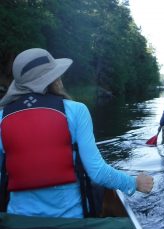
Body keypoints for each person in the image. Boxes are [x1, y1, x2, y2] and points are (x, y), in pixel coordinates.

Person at [0, 48, 154, 218]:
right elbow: (97, 172)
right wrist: (134, 183)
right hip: (69, 223)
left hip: (17, 222)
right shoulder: (76, 111)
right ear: (52, 79)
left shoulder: (2, 117)